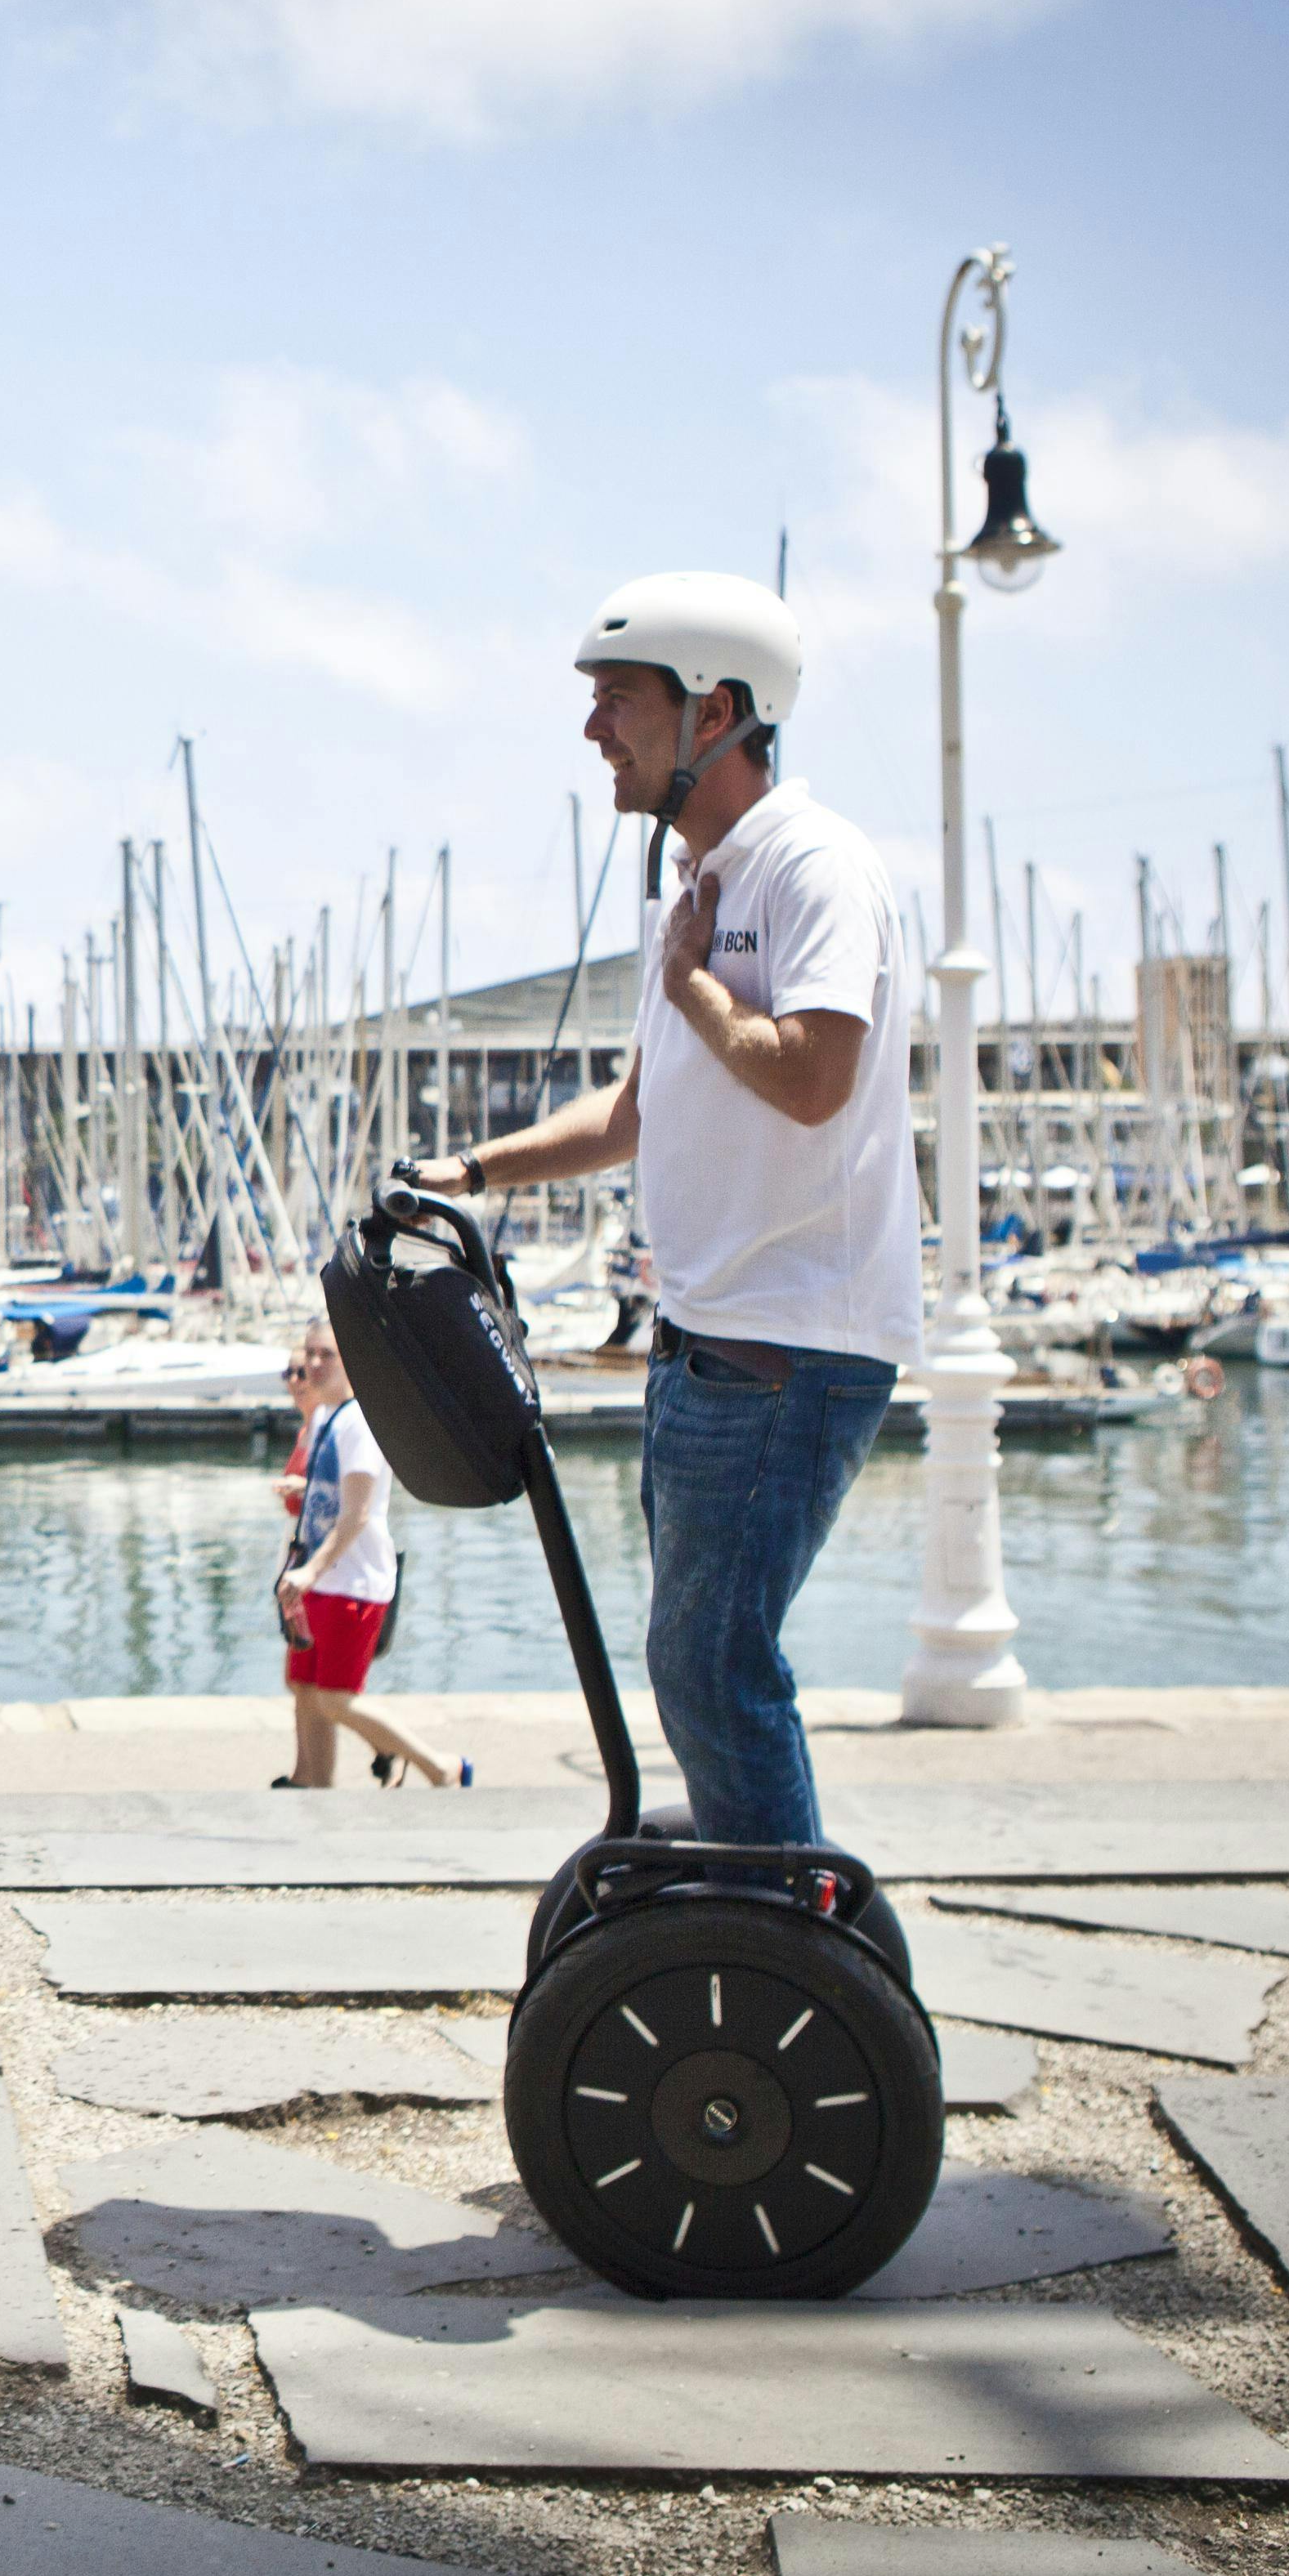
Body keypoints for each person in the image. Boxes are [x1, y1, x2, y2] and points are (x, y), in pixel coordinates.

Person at [407, 573, 916, 1849]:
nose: (594, 732)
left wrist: (689, 981)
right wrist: (471, 1173)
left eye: (618, 701)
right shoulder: (699, 882)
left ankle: (789, 1944)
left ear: (716, 713)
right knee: (694, 1665)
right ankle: (756, 1919)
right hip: (706, 1342)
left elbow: (812, 1076)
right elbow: (636, 1111)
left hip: (786, 1344)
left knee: (714, 1668)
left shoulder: (811, 866)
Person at [274, 1322, 462, 1791]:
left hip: (353, 1582)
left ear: (352, 1362)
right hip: (318, 1580)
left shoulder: (362, 1423)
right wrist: (305, 1490)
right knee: (304, 1689)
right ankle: (315, 1788)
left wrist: (311, 1570)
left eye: (326, 1356)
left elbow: (357, 1515)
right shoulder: (325, 1418)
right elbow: (336, 1494)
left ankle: (439, 1767)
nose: (314, 1365)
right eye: (310, 1354)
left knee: (336, 1699)